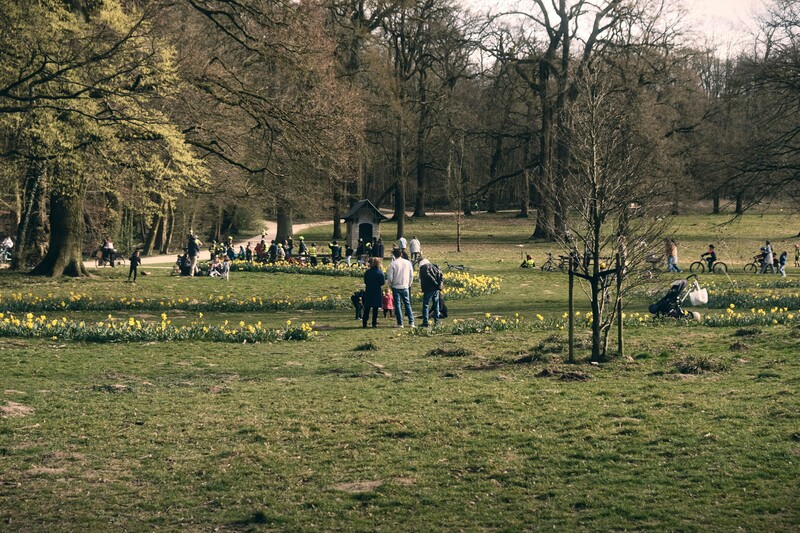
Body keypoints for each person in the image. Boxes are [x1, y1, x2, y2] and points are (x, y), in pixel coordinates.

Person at [385, 248, 414, 328]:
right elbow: (411, 275)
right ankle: (411, 321)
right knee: (407, 304)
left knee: (397, 305)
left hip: (396, 286)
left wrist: (390, 284)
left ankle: (400, 323)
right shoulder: (407, 263)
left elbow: (390, 277)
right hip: (405, 285)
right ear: (401, 254)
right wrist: (409, 283)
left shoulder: (393, 264)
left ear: (394, 255)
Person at [418, 257, 443, 328]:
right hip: (436, 289)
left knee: (426, 305)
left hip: (429, 288)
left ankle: (425, 322)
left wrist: (435, 284)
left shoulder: (423, 267)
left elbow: (428, 277)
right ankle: (436, 321)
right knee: (436, 305)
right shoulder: (434, 266)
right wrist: (439, 285)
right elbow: (440, 275)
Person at [363, 257, 385, 328]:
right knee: (375, 308)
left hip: (369, 290)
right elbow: (382, 282)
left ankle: (364, 322)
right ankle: (374, 323)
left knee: (367, 307)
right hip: (377, 290)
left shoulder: (367, 272)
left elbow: (365, 281)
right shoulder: (379, 272)